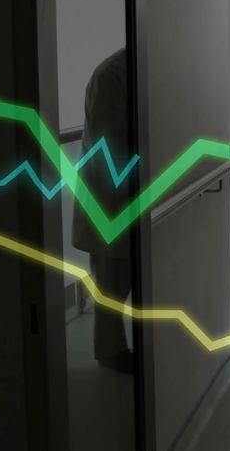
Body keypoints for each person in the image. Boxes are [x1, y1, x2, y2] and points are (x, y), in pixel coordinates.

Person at [71, 48, 137, 374]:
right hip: (110, 199)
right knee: (112, 283)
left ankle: (116, 349)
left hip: (125, 197)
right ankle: (111, 353)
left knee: (118, 278)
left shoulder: (125, 69)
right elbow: (108, 144)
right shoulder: (111, 75)